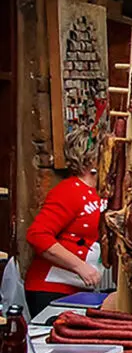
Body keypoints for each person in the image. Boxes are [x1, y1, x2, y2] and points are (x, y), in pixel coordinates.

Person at [25, 128, 105, 316]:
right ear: (91, 160)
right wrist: (80, 266)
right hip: (52, 289)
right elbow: (37, 235)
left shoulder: (101, 192)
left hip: (81, 290)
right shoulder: (68, 191)